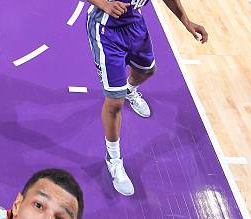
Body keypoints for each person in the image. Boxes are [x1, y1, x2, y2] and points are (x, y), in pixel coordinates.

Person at [85, 0, 208, 196]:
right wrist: (104, 4)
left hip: (135, 26)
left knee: (147, 70)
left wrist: (186, 21)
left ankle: (130, 89)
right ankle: (114, 159)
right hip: (106, 32)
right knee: (115, 102)